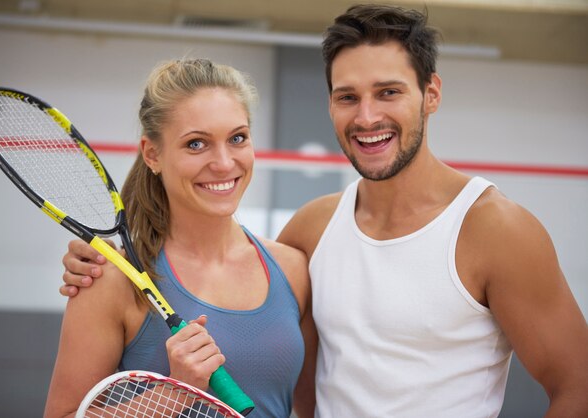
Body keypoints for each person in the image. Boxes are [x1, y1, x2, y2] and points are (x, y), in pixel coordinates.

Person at [60, 4, 588, 417]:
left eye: (388, 92)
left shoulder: (498, 230)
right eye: (347, 96)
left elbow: (579, 389)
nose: (367, 116)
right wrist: (96, 266)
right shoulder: (309, 234)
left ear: (431, 94)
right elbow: (308, 392)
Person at [45, 58, 316, 418]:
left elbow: (313, 406)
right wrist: (175, 391)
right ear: (153, 154)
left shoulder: (293, 269)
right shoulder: (109, 280)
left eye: (237, 138)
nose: (223, 163)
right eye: (196, 144)